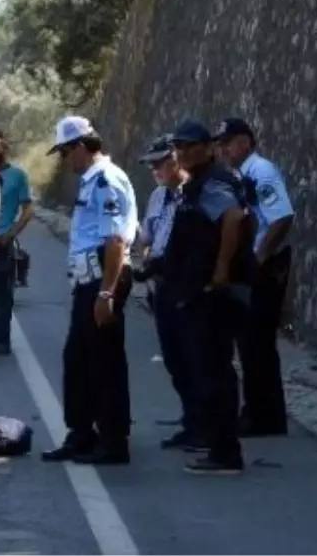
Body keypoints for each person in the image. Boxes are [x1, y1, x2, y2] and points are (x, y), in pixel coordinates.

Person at [41, 116, 137, 466]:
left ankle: (113, 441)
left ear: (81, 146)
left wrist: (107, 293)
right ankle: (81, 433)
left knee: (104, 363)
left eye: (66, 152)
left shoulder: (105, 180)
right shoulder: (90, 180)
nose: (64, 160)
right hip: (89, 281)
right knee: (78, 360)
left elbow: (114, 241)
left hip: (103, 279)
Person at [163, 119, 256, 475]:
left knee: (214, 372)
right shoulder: (197, 184)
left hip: (215, 294)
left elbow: (233, 218)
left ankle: (224, 452)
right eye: (179, 147)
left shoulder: (213, 182)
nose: (183, 152)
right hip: (200, 292)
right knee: (208, 370)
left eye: (190, 146)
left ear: (207, 148)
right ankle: (219, 446)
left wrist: (220, 269)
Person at [215, 117, 292, 437]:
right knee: (250, 342)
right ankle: (260, 412)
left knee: (257, 341)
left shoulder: (261, 171)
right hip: (256, 264)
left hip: (267, 264)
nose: (224, 150)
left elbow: (282, 216)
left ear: (245, 142)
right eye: (221, 144)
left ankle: (264, 417)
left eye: (228, 142)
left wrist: (259, 258)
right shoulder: (241, 174)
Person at [133, 134, 201, 449]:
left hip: (187, 286)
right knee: (173, 358)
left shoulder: (193, 195)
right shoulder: (159, 197)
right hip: (160, 285)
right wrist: (145, 262)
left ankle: (205, 425)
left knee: (195, 358)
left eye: (158, 164)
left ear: (175, 160)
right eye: (150, 166)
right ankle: (191, 419)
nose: (154, 171)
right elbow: (146, 237)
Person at [0, 130, 33, 356]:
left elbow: (28, 210)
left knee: (2, 295)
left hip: (2, 243)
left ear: (5, 147)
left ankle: (0, 340)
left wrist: (11, 233)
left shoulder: (18, 176)